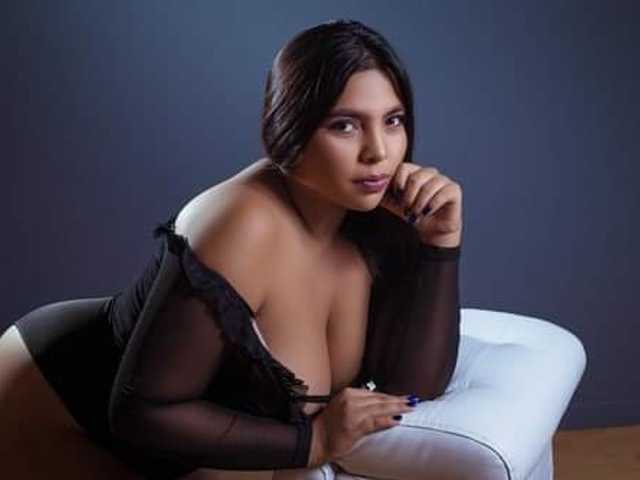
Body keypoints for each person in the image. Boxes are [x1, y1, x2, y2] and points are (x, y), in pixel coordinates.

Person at [0, 18, 463, 479]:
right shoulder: (245, 222)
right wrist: (314, 441)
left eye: (393, 121)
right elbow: (143, 411)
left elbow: (412, 385)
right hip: (51, 403)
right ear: (290, 129)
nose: (379, 152)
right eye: (344, 126)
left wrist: (440, 244)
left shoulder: (377, 214)